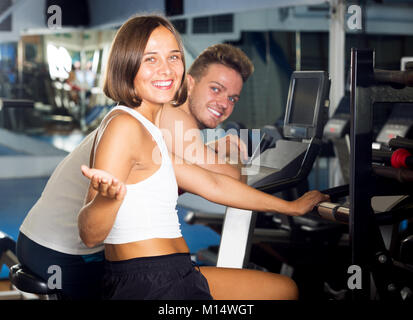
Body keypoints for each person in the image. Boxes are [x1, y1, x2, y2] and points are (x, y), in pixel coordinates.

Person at [77, 14, 329, 300]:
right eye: (151, 59)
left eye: (173, 57)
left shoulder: (147, 126)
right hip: (154, 283)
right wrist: (107, 201)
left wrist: (292, 207)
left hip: (173, 273)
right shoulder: (125, 126)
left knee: (285, 289)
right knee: (285, 292)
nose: (166, 69)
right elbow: (89, 234)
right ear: (127, 64)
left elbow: (214, 184)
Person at [16, 34, 250, 300]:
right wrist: (229, 155)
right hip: (62, 253)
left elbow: (177, 173)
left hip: (39, 241)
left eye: (233, 98)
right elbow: (233, 178)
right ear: (189, 82)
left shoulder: (156, 112)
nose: (223, 104)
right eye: (216, 89)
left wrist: (213, 150)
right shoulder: (172, 118)